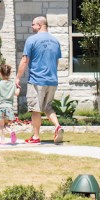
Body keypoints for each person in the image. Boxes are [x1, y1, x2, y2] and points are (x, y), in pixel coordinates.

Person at [15, 15, 63, 145]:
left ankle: (35, 136)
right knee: (47, 106)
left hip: (37, 80)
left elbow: (25, 60)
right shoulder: (55, 41)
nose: (32, 27)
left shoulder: (32, 40)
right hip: (52, 80)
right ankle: (58, 126)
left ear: (40, 25)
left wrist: (18, 77)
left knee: (35, 109)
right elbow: (56, 61)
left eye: (33, 24)